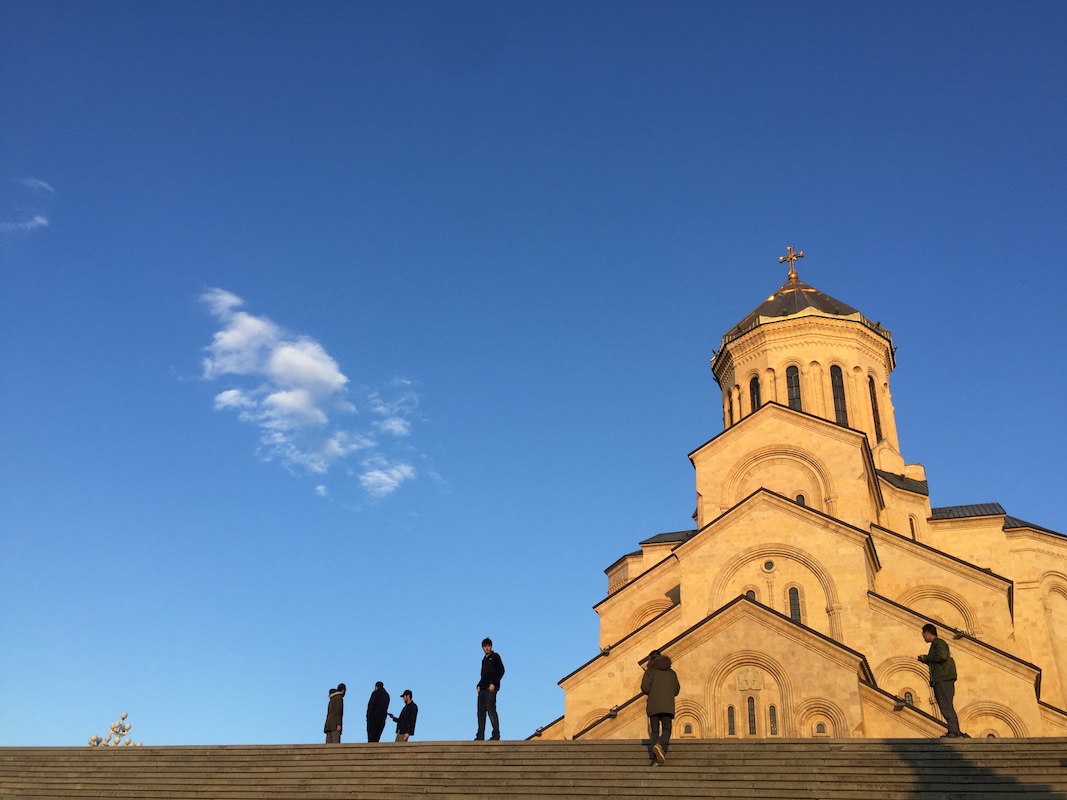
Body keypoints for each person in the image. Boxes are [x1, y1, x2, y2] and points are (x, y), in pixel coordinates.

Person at [918, 623, 966, 738]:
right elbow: (939, 658)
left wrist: (927, 658)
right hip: (943, 678)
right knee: (945, 705)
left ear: (927, 633)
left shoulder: (938, 643)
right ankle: (953, 730)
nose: (923, 637)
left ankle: (954, 731)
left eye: (923, 634)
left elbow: (942, 656)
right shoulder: (937, 644)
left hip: (943, 678)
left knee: (946, 705)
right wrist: (925, 660)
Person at [641, 649, 679, 765]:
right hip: (667, 705)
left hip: (653, 705)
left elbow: (645, 688)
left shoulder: (650, 672)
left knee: (655, 732)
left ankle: (655, 756)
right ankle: (661, 745)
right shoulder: (671, 673)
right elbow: (676, 690)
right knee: (667, 729)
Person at [475, 637, 505, 741]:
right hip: (482, 689)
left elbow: (501, 670)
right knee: (480, 713)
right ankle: (480, 735)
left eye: (488, 646)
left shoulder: (495, 656)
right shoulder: (484, 660)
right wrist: (479, 685)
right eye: (485, 646)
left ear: (491, 647)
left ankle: (496, 734)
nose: (487, 648)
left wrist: (494, 683)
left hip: (491, 689)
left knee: (491, 711)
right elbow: (483, 675)